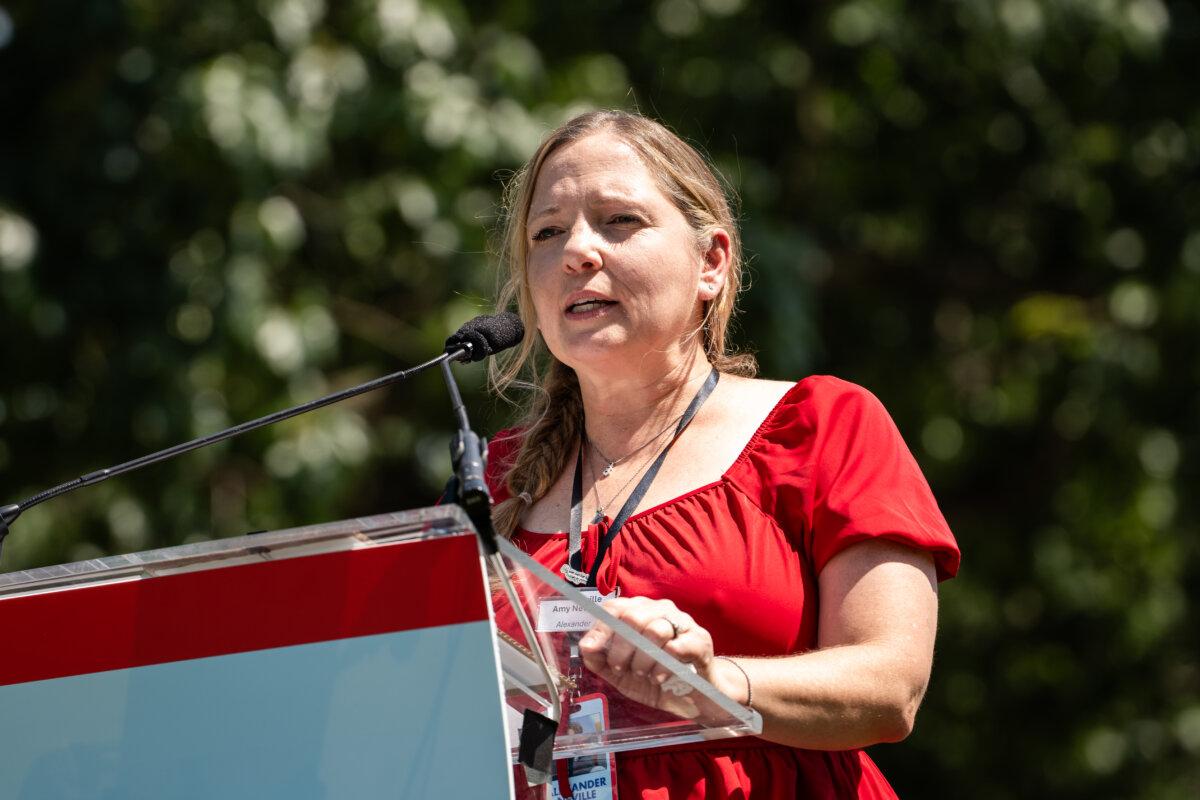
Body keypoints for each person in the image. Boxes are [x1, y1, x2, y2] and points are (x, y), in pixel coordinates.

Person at [483, 109, 960, 799]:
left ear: (711, 263)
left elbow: (891, 690)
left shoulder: (820, 425)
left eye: (619, 221)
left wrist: (715, 684)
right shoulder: (494, 478)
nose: (576, 252)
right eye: (547, 232)